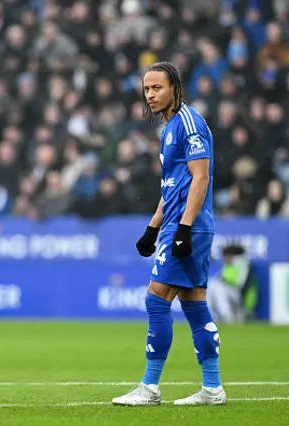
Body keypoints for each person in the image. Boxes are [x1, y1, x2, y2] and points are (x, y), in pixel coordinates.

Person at [112, 62, 227, 406]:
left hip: (187, 225)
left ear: (175, 87)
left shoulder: (190, 124)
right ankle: (212, 388)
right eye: (146, 89)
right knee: (194, 306)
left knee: (156, 300)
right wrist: (152, 227)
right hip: (177, 223)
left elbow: (201, 178)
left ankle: (149, 388)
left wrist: (184, 229)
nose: (150, 95)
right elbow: (173, 186)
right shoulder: (169, 128)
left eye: (157, 88)